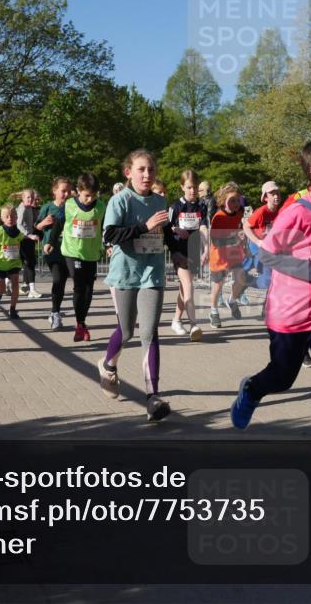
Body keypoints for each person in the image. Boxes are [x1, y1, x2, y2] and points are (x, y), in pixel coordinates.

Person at [230, 139, 311, 488]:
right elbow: (268, 256)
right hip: (288, 314)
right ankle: (253, 389)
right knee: (283, 378)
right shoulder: (296, 212)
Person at [98, 149, 187, 422]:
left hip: (152, 274)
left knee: (149, 332)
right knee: (125, 332)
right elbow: (110, 235)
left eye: (150, 169)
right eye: (141, 170)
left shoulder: (160, 200)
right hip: (125, 274)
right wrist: (143, 226)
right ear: (128, 173)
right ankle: (108, 365)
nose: (147, 175)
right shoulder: (120, 200)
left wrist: (176, 252)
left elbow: (165, 231)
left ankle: (153, 398)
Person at [57, 172, 107, 341]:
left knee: (88, 289)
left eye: (93, 196)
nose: (89, 199)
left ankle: (82, 322)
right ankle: (80, 324)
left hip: (91, 253)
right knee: (79, 285)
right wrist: (49, 241)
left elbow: (105, 227)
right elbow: (58, 223)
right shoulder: (69, 205)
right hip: (72, 251)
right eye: (86, 196)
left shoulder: (100, 206)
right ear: (78, 191)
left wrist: (107, 245)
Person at [168, 169, 208, 341]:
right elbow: (166, 228)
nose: (193, 191)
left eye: (195, 187)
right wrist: (176, 229)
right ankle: (194, 325)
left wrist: (206, 249)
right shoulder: (175, 207)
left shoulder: (201, 206)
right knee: (189, 286)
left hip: (194, 253)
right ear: (182, 187)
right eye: (189, 187)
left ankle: (176, 320)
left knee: (184, 290)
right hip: (179, 253)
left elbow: (204, 227)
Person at [208, 182, 248, 329]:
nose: (236, 203)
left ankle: (232, 300)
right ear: (223, 200)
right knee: (218, 285)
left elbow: (241, 226)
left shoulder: (240, 211)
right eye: (232, 200)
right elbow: (216, 241)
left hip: (233, 253)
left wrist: (243, 237)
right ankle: (213, 311)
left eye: (237, 200)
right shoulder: (218, 217)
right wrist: (236, 237)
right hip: (218, 255)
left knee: (241, 278)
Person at [38, 177, 73, 331]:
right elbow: (36, 227)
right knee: (58, 279)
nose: (66, 194)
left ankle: (57, 310)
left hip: (70, 250)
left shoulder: (73, 207)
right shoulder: (47, 207)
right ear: (54, 191)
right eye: (63, 191)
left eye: (68, 191)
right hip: (52, 251)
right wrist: (43, 223)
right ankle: (55, 313)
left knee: (64, 281)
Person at [244, 181, 282, 290]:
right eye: (272, 194)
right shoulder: (261, 212)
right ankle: (245, 279)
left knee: (268, 279)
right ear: (265, 197)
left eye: (278, 193)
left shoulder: (280, 212)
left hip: (270, 248)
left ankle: (245, 280)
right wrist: (258, 242)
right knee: (266, 280)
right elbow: (246, 227)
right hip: (257, 246)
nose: (276, 196)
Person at [0, 204, 23, 319]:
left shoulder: (19, 233)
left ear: (17, 217)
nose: (10, 219)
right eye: (7, 216)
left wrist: (32, 237)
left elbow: (24, 242)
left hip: (14, 263)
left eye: (13, 216)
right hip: (0, 264)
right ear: (2, 218)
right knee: (2, 288)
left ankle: (13, 309)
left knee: (16, 284)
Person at [16, 189, 43, 299]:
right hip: (23, 239)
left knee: (27, 263)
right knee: (28, 263)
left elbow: (34, 223)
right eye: (28, 197)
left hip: (28, 239)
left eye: (32, 198)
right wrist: (29, 235)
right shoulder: (22, 208)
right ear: (23, 198)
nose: (31, 199)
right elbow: (19, 225)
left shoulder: (30, 208)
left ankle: (25, 287)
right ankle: (31, 290)